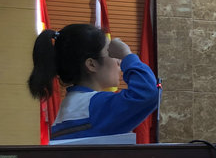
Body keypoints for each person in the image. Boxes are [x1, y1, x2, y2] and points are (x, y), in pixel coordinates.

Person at [28, 23, 159, 141]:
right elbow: (148, 93)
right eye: (111, 53)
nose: (119, 62)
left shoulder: (71, 107)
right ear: (91, 64)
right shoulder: (94, 107)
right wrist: (127, 55)